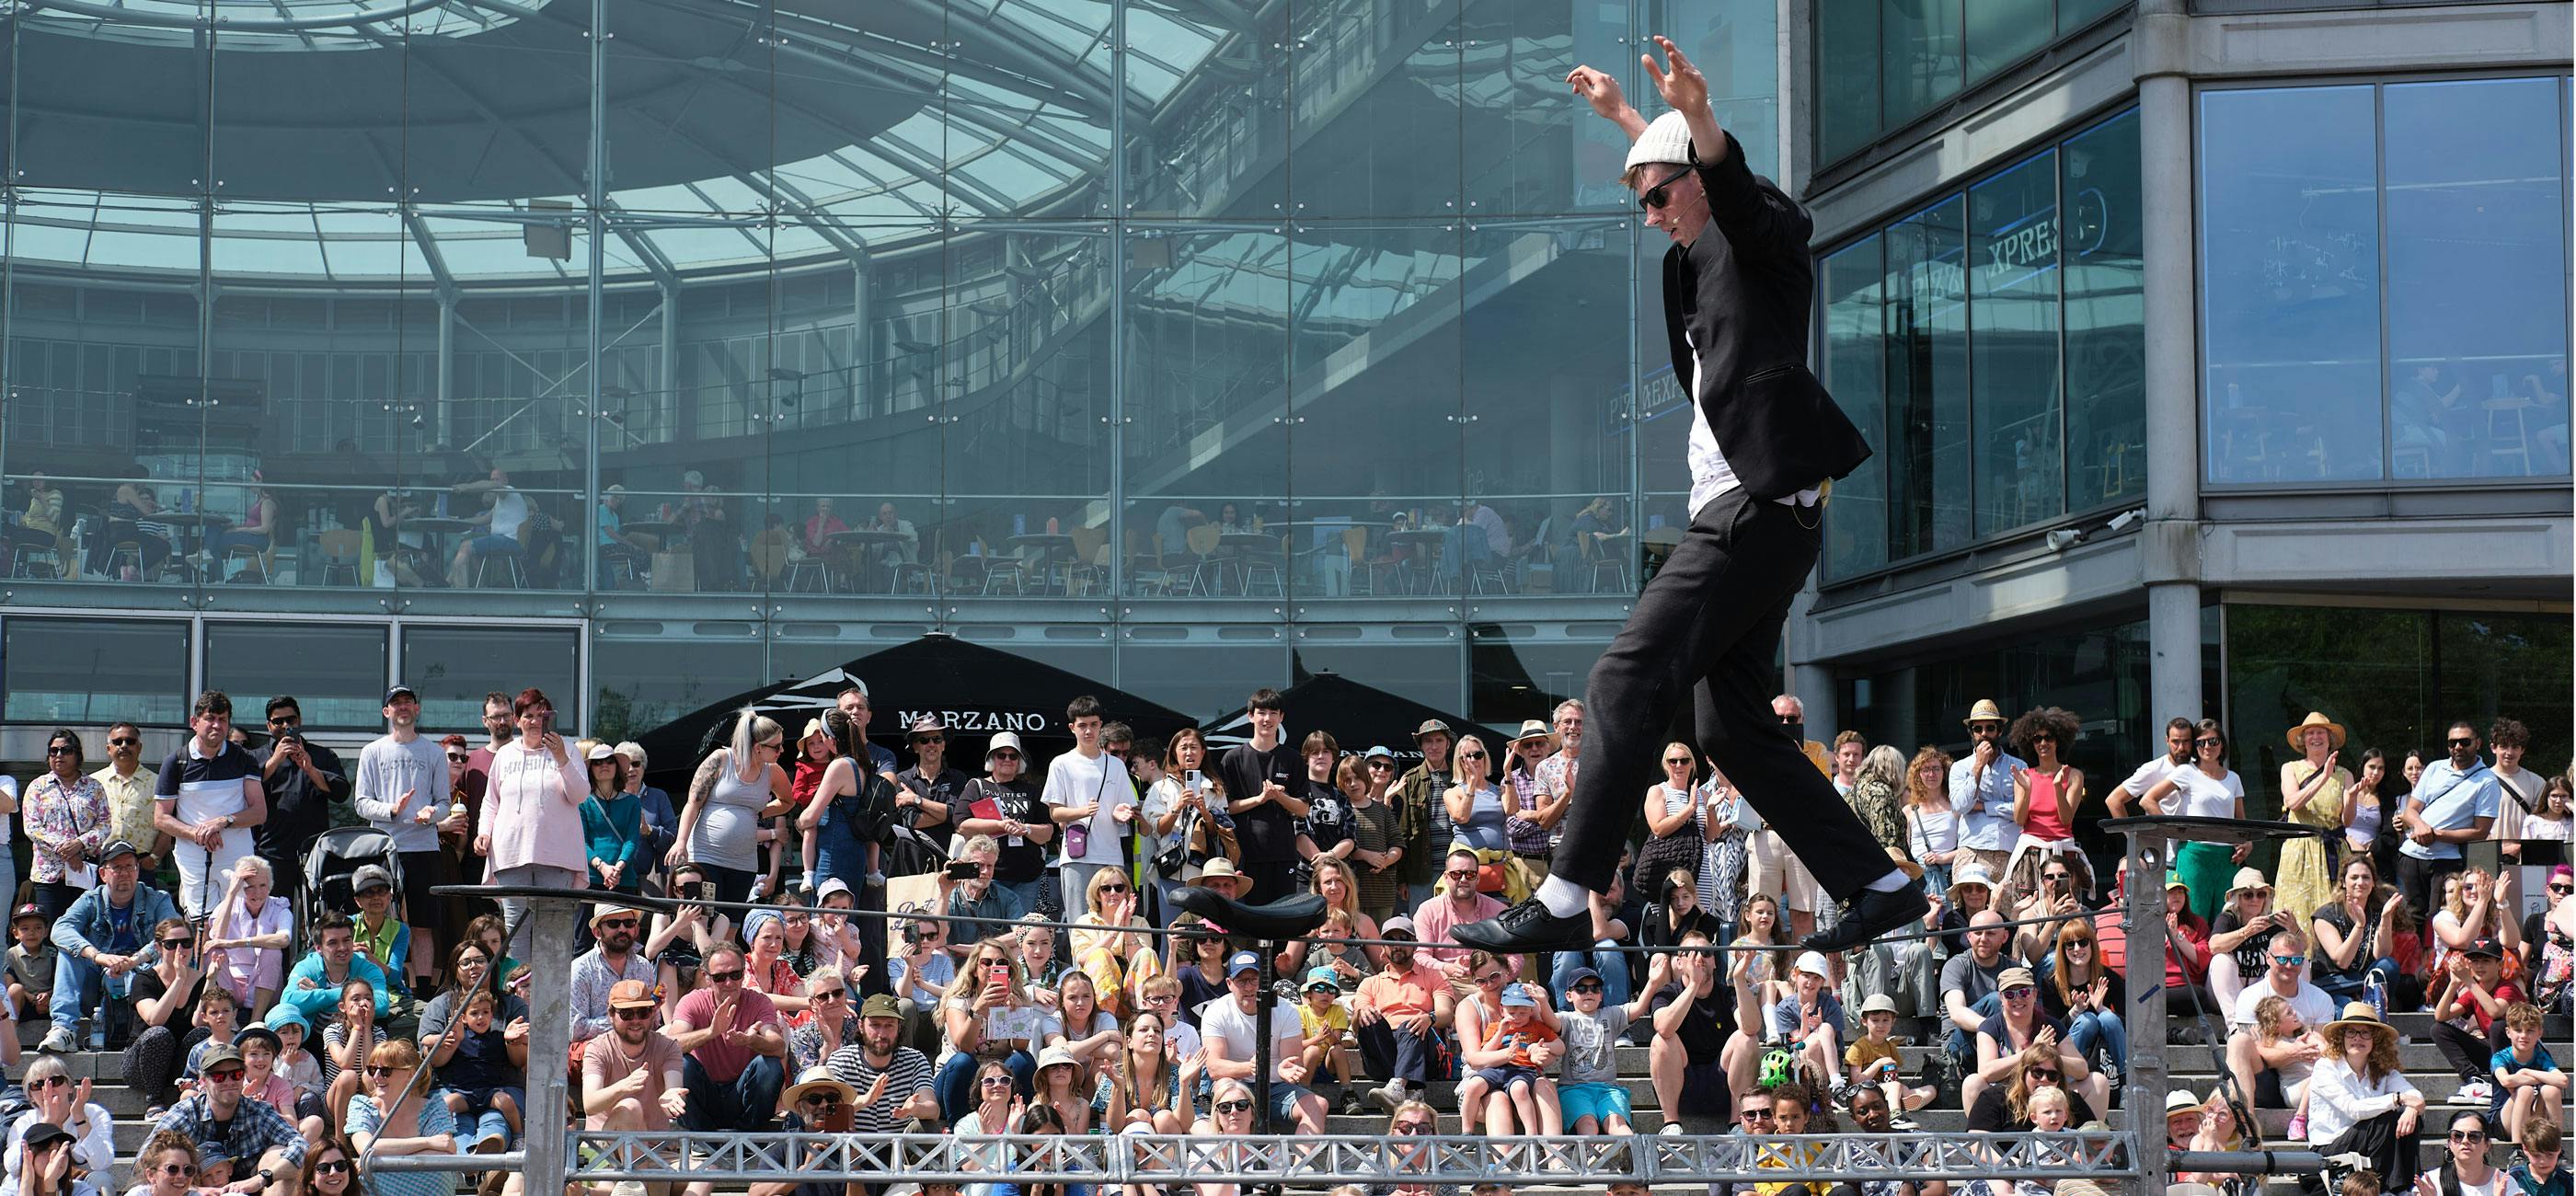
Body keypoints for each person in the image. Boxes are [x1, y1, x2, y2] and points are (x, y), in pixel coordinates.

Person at [44, 839, 181, 1054]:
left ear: (137, 870)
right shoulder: (91, 900)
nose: (125, 872)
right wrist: (99, 956)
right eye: (117, 867)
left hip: (143, 980)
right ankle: (64, 1028)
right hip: (97, 982)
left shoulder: (157, 899)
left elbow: (174, 934)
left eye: (130, 866)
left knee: (174, 949)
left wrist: (135, 961)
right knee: (68, 951)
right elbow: (59, 930)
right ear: (103, 874)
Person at [476, 687, 589, 932]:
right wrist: (484, 832)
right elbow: (490, 801)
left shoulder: (568, 749)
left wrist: (561, 758)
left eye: (542, 715)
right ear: (517, 720)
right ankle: (518, 974)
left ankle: (549, 974)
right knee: (515, 934)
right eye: (528, 716)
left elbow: (580, 795)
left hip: (557, 856)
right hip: (512, 856)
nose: (536, 721)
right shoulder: (504, 755)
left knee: (552, 933)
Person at [669, 709, 790, 905]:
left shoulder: (773, 772)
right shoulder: (721, 759)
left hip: (744, 862)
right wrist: (681, 841)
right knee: (704, 916)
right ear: (758, 747)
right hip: (706, 856)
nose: (782, 751)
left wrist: (759, 812)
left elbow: (787, 801)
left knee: (731, 922)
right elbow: (693, 802)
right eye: (777, 747)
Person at [153, 1043, 305, 1196]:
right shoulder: (185, 1114)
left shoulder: (259, 1111)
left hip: (251, 1190)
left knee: (278, 1155)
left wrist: (262, 1178)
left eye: (236, 1074)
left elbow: (301, 1146)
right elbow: (145, 1163)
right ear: (204, 1081)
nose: (229, 1081)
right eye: (218, 1076)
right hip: (194, 1192)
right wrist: (192, 1188)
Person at [1200, 950, 1326, 1133]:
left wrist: (1285, 1070)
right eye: (1241, 981)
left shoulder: (1287, 1010)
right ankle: (1234, 1160)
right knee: (1229, 1096)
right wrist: (1252, 1068)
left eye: (1254, 980)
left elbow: (1293, 1064)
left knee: (1318, 1105)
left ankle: (1302, 1163)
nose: (1249, 987)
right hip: (1235, 1085)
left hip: (1276, 1087)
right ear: (1229, 984)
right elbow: (1214, 1068)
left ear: (1265, 982)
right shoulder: (1216, 1011)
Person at [667, 942, 787, 1133]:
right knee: (682, 1063)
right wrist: (710, 1032)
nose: (729, 983)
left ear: (744, 973)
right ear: (707, 978)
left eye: (735, 975)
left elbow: (778, 1047)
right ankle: (702, 1139)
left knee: (769, 1066)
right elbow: (669, 1046)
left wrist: (752, 1041)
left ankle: (749, 1138)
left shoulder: (759, 1002)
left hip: (741, 1094)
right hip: (705, 1094)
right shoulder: (693, 1001)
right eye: (720, 977)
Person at [2140, 720, 2248, 920]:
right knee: (2193, 919)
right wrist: (2171, 830)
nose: (2207, 747)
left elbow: (2241, 823)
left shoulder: (2233, 778)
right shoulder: (2187, 772)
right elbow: (2148, 800)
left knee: (2227, 918)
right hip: (2195, 854)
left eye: (2213, 741)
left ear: (2222, 744)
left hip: (2227, 857)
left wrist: (2247, 843)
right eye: (2201, 742)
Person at [2397, 721, 2503, 924]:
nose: (2458, 747)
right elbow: (2410, 810)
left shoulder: (2487, 781)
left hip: (2446, 860)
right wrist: (2420, 826)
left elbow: (2480, 832)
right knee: (2410, 919)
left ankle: (2438, 956)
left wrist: (2435, 834)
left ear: (2478, 743)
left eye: (2465, 742)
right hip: (2411, 855)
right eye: (2452, 743)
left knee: (2443, 917)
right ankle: (2414, 957)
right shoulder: (2435, 768)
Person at [1046, 696, 1137, 922]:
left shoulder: (1115, 765)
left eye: (1094, 724)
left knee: (1116, 922)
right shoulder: (1061, 763)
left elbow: (1123, 806)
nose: (1089, 731)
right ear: (1072, 727)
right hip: (1077, 856)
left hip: (1111, 854)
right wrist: (1083, 811)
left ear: (1100, 725)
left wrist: (1120, 813)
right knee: (1080, 925)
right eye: (1082, 725)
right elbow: (1055, 813)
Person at [2225, 927, 2338, 1109]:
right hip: (2263, 1077)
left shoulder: (2321, 999)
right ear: (2268, 958)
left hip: (2305, 1080)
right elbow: (2259, 1052)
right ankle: (2246, 1121)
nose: (2289, 965)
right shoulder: (2250, 997)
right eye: (2283, 959)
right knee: (2238, 1042)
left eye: (2296, 960)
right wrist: (2294, 1052)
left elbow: (2320, 1051)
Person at [1213, 689, 1306, 903]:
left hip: (1283, 854)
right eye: (1261, 712)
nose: (1267, 719)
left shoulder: (1292, 758)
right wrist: (1260, 799)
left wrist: (1279, 797)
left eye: (1273, 713)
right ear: (1250, 716)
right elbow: (1227, 808)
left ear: (1281, 717)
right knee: (1249, 920)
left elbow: (1303, 808)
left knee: (1283, 921)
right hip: (1247, 854)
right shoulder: (1233, 758)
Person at [581, 978, 688, 1137]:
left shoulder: (668, 1046)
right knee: (630, 1107)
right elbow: (590, 1103)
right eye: (627, 1014)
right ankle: (638, 1163)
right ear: (611, 1014)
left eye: (643, 1012)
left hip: (655, 1150)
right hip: (604, 1152)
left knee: (711, 1164)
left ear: (652, 1013)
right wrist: (625, 1086)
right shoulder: (597, 1049)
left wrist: (672, 1095)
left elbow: (674, 1089)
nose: (636, 1020)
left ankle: (641, 1163)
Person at [25, 730, 110, 926]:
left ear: (77, 754)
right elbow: (32, 827)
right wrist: (67, 849)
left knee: (87, 929)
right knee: (52, 932)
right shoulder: (37, 787)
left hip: (84, 871)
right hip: (49, 875)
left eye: (65, 750)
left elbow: (105, 824)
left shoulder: (94, 787)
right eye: (53, 751)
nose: (58, 755)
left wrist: (79, 844)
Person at [2003, 707, 2087, 903]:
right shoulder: (2025, 777)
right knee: (2027, 911)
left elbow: (2066, 819)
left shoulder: (2073, 775)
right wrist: (2028, 790)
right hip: (2030, 854)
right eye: (2037, 738)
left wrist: (2057, 786)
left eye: (2049, 737)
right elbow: (2019, 819)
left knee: (2065, 911)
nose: (2043, 743)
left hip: (2062, 854)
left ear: (2058, 740)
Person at [2280, 713, 2355, 926]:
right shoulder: (2291, 768)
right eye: (2310, 733)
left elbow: (2347, 821)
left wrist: (2353, 798)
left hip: (2334, 850)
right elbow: (2293, 802)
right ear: (2303, 740)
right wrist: (2323, 778)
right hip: (2301, 850)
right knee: (2297, 910)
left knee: (2335, 912)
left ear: (2329, 738)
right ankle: (2295, 958)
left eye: (2320, 732)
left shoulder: (2345, 774)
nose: (2315, 737)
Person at [822, 994, 938, 1133]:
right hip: (854, 1147)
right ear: (861, 1026)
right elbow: (830, 1111)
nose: (882, 1034)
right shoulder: (841, 1060)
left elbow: (933, 1109)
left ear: (899, 1028)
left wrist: (916, 1109)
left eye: (889, 1025)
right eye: (875, 1025)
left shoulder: (915, 1060)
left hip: (899, 1147)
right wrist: (865, 1100)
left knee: (927, 1127)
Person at [5, 1055, 111, 1196]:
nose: (47, 1089)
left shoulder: (94, 1114)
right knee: (10, 1181)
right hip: (38, 1182)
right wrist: (46, 1123)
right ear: (30, 1095)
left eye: (55, 1081)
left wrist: (79, 1118)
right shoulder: (25, 1122)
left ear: (70, 1087)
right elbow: (12, 1167)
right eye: (37, 1085)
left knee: (102, 1179)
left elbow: (102, 1163)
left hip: (80, 1182)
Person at [201, 857, 292, 1019]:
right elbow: (217, 937)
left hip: (266, 986)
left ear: (270, 886)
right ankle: (229, 1018)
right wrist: (231, 892)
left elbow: (284, 939)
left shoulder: (279, 906)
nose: (257, 893)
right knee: (214, 950)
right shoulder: (229, 905)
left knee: (272, 951)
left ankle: (255, 1021)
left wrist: (237, 943)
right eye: (250, 887)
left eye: (263, 885)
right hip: (232, 983)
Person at [1395, 721, 1456, 910]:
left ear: (1448, 744)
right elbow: (1402, 833)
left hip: (1456, 869)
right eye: (1428, 741)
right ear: (1420, 746)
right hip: (1421, 873)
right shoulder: (1410, 779)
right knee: (1422, 931)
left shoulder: (1462, 776)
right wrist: (1402, 879)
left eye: (1439, 740)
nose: (1434, 746)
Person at [2490, 1001, 2564, 1144]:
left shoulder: (2541, 1056)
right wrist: (2539, 1079)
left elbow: (2562, 1081)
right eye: (2518, 1030)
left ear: (2539, 1033)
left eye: (2530, 1030)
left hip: (2533, 1117)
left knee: (2551, 1090)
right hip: (2503, 1121)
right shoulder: (2500, 1057)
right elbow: (2507, 1081)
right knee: (2525, 1090)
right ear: (2508, 1032)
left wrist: (2526, 1072)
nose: (2524, 1035)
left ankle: (2556, 1146)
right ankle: (2517, 1150)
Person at [2418, 1110, 2502, 1196]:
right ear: (2449, 1144)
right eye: (2457, 1136)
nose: (2465, 1141)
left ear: (2487, 1145)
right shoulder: (2431, 1182)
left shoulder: (2503, 1183)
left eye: (2474, 1136)